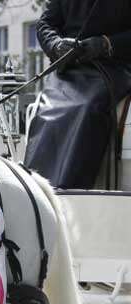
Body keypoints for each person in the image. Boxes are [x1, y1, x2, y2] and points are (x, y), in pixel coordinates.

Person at [25, 0, 131, 189]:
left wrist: (106, 43)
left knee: (87, 108)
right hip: (70, 68)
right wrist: (56, 45)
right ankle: (37, 191)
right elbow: (45, 24)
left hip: (112, 66)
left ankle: (72, 191)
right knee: (44, 111)